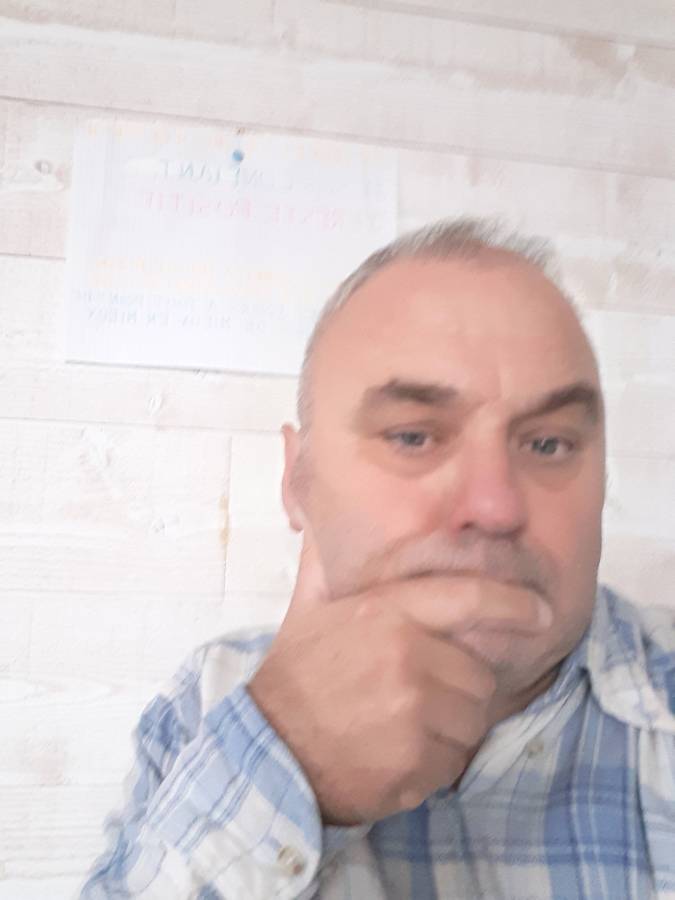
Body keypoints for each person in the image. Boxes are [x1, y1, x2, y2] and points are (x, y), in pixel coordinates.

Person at [81, 218, 675, 900]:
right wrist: (286, 761)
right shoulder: (211, 701)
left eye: (548, 445)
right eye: (413, 436)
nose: (494, 507)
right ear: (297, 480)